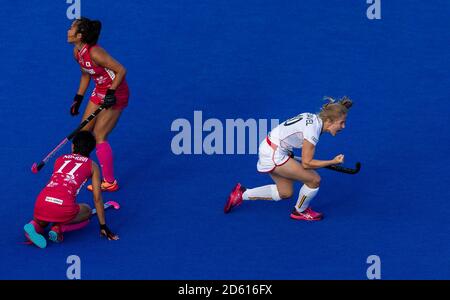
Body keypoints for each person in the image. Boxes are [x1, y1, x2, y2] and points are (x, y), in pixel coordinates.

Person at [224, 96, 353, 221]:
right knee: (314, 180)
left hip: (274, 147)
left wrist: (287, 150)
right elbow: (307, 164)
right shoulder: (313, 130)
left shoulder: (314, 119)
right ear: (329, 121)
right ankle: (300, 211)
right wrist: (332, 161)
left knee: (285, 193)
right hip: (274, 153)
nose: (343, 127)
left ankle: (242, 193)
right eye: (341, 123)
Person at [24, 131, 119, 248]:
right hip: (63, 208)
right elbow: (97, 197)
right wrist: (103, 225)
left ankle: (33, 225)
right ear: (91, 149)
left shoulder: (60, 159)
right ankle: (58, 228)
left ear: (73, 146)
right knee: (87, 210)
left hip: (41, 203)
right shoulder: (93, 165)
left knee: (45, 217)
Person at [67, 17, 129, 192]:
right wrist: (78, 99)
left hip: (116, 93)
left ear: (80, 35)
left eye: (72, 28)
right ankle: (75, 175)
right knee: (82, 134)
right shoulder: (77, 53)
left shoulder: (95, 53)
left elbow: (121, 70)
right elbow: (86, 75)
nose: (68, 30)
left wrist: (110, 94)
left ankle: (109, 182)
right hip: (100, 90)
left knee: (99, 135)